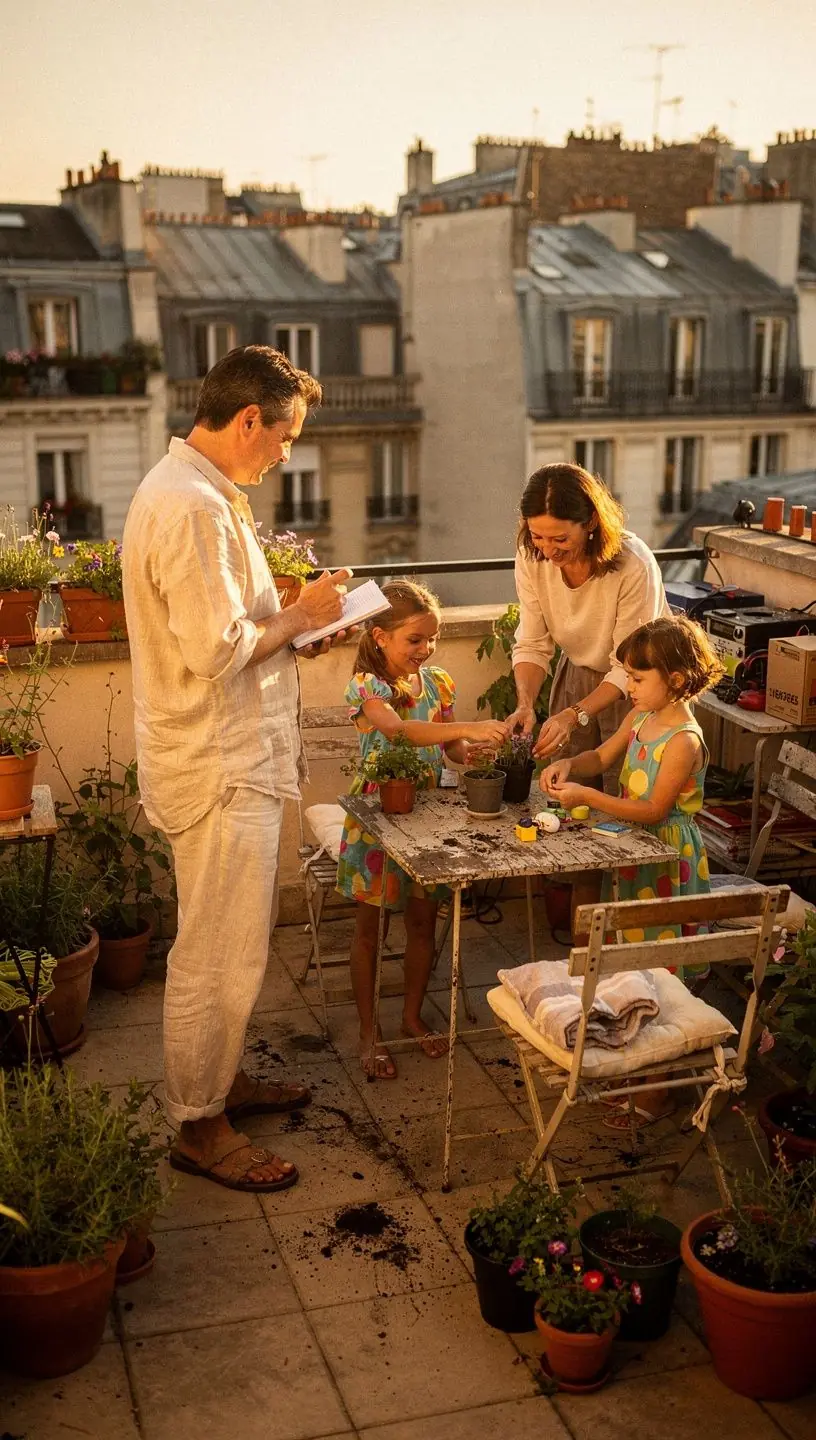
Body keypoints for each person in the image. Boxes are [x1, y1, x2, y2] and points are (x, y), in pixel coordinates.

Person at [123, 344, 353, 1194]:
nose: (287, 452)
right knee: (217, 953)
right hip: (219, 766)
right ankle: (199, 1122)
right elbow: (217, 652)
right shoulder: (190, 508)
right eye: (285, 436)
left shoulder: (197, 493)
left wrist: (299, 617)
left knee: (232, 944)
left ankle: (217, 1086)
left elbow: (231, 625)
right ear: (248, 419)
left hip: (224, 757)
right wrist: (300, 615)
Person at [540, 615, 724, 1129]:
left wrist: (588, 797)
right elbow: (600, 756)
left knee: (664, 967)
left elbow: (654, 811)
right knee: (634, 960)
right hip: (634, 856)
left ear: (678, 681)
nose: (630, 689)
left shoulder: (684, 739)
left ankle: (657, 1094)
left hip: (666, 857)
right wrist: (571, 767)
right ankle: (638, 1069)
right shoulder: (641, 718)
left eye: (638, 680)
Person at [336, 580, 506, 1078]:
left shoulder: (438, 683)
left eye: (431, 639)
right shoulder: (368, 688)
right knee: (369, 930)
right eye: (414, 639)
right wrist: (467, 729)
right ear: (380, 637)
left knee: (421, 923)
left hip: (428, 820)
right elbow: (399, 731)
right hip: (377, 821)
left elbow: (449, 751)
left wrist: (469, 751)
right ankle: (370, 1031)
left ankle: (410, 1016)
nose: (425, 649)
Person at [506, 464, 671, 787]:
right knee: (567, 788)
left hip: (640, 684)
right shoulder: (531, 557)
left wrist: (574, 715)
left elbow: (628, 667)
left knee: (624, 791)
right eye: (538, 536)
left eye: (560, 538)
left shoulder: (632, 563)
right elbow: (532, 643)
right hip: (577, 675)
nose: (548, 550)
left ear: (591, 522)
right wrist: (525, 705)